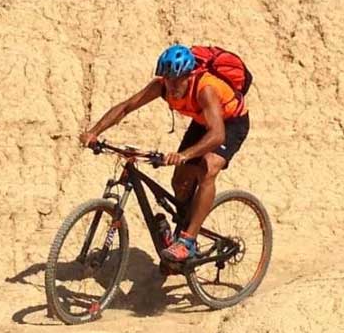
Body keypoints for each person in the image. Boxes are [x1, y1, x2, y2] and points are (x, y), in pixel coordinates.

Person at [79, 44, 250, 262]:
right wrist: (94, 132)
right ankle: (183, 227)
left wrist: (185, 155)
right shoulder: (161, 87)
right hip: (202, 121)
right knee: (179, 181)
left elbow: (217, 135)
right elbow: (126, 107)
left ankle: (188, 240)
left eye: (177, 79)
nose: (172, 85)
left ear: (190, 75)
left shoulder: (205, 89)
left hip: (230, 123)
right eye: (168, 79)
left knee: (207, 167)